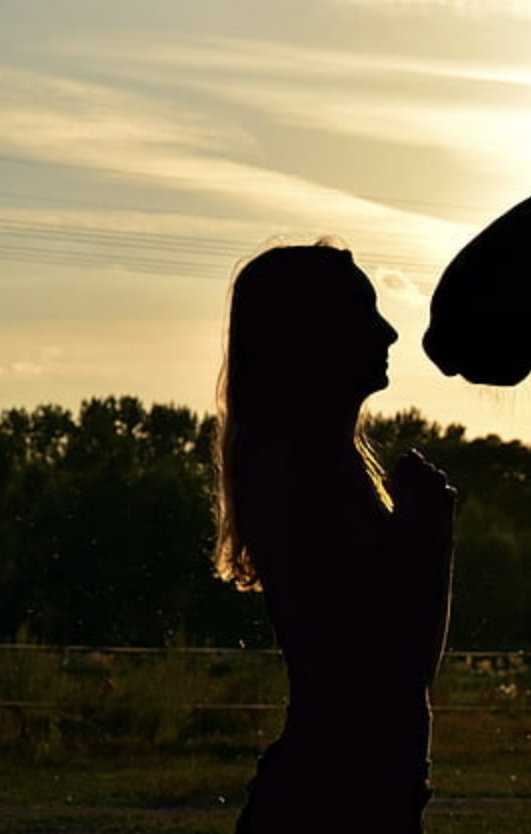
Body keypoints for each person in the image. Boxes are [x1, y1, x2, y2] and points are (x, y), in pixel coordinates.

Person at [213, 242, 456, 833]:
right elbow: (399, 667)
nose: (389, 332)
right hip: (341, 800)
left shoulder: (315, 470)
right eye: (364, 313)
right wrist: (431, 536)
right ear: (312, 336)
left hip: (350, 791)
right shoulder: (304, 478)